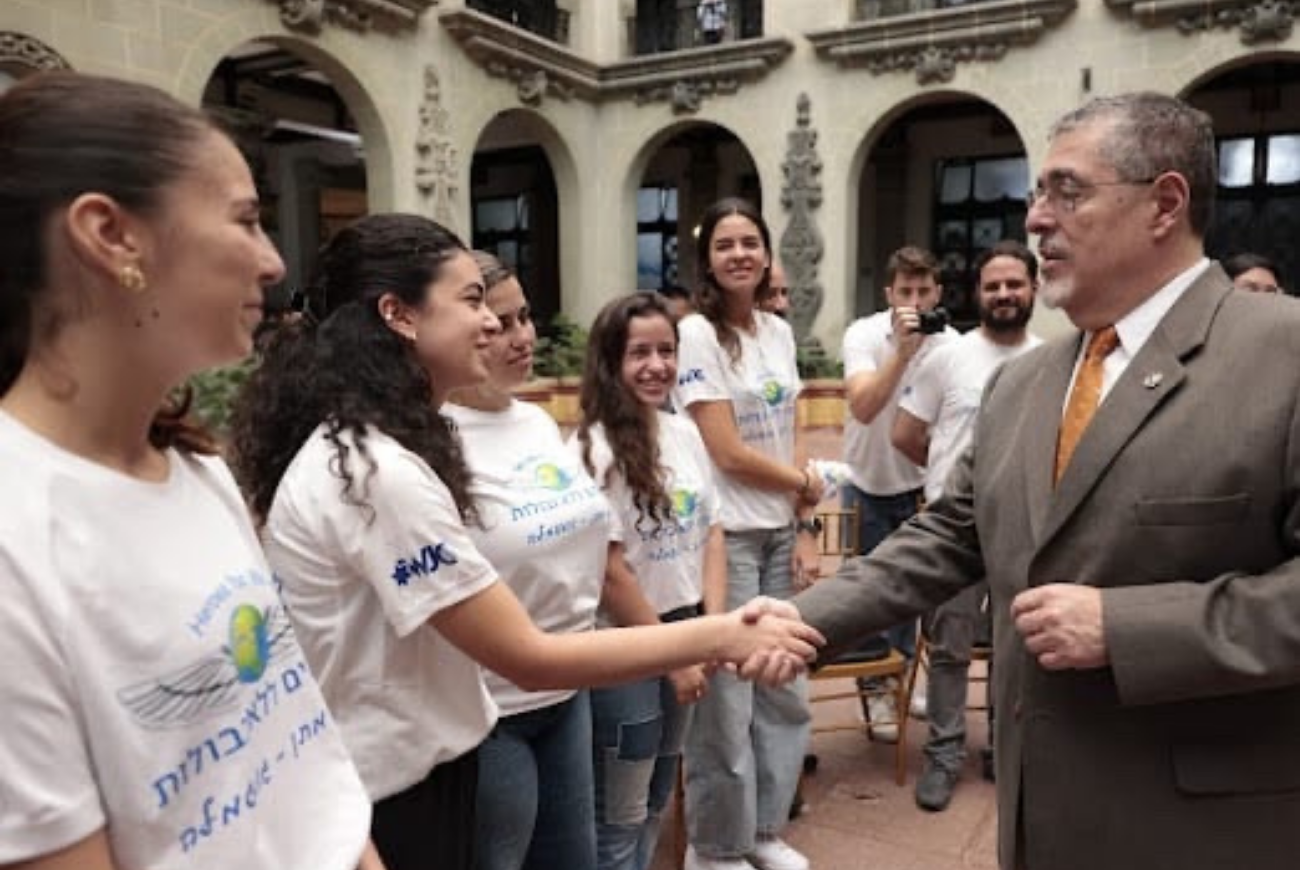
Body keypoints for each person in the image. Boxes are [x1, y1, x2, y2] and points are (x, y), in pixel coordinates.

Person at [786, 92, 1300, 870]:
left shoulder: (1283, 354)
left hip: (1198, 833)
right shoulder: (1024, 382)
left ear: (1164, 203)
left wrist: (1129, 630)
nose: (1034, 220)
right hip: (1039, 821)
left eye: (1068, 191)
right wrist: (800, 621)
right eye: (1036, 194)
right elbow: (953, 534)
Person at [229, 212, 822, 870]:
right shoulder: (375, 471)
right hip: (399, 782)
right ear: (400, 315)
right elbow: (528, 656)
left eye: (508, 312)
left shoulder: (398, 443)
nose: (493, 325)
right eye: (474, 302)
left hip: (448, 746)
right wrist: (724, 635)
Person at [0, 71, 383, 870]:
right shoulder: (16, 537)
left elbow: (304, 764)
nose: (273, 262)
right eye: (245, 220)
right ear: (110, 234)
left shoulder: (199, 474)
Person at [440, 251, 604, 870]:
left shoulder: (537, 422)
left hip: (569, 690)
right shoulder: (433, 438)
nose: (522, 337)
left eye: (526, 317)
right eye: (500, 323)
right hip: (490, 709)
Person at [674, 197, 824, 870]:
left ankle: (764, 829)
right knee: (727, 703)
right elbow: (726, 450)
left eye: (749, 242)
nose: (739, 253)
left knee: (784, 688)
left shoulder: (777, 332)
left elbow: (790, 437)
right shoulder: (698, 335)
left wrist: (804, 527)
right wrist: (801, 486)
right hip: (727, 535)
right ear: (708, 261)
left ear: (767, 254)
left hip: (773, 535)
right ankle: (716, 846)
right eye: (724, 244)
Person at [571, 291, 725, 870]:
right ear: (610, 362)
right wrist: (676, 658)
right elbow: (610, 573)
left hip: (684, 629)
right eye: (640, 353)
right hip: (625, 644)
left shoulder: (683, 433)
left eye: (667, 350)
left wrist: (711, 628)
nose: (658, 365)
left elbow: (713, 531)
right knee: (619, 816)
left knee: (659, 797)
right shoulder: (591, 450)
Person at [890, 240, 1042, 811]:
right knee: (950, 649)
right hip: (955, 529)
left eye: (1014, 284)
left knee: (1014, 646)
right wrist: (946, 483)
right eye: (993, 286)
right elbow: (905, 434)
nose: (1004, 295)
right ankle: (944, 755)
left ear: (1033, 289)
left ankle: (1004, 750)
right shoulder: (947, 357)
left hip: (1023, 529)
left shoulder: (1052, 358)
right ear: (977, 293)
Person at [838, 245, 956, 741]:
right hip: (864, 484)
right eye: (904, 291)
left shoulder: (952, 343)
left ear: (938, 293)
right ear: (888, 294)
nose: (913, 300)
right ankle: (877, 694)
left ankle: (901, 682)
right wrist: (903, 353)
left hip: (918, 488)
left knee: (915, 598)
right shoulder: (864, 334)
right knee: (869, 600)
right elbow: (864, 407)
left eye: (922, 291)